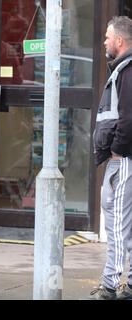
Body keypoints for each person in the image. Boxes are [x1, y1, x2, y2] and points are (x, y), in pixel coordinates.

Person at [91, 16, 132, 300]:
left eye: (107, 37)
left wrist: (116, 150)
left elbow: (128, 119)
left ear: (119, 41)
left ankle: (110, 285)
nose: (104, 41)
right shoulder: (124, 70)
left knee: (116, 222)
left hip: (124, 160)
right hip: (125, 158)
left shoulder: (127, 71)